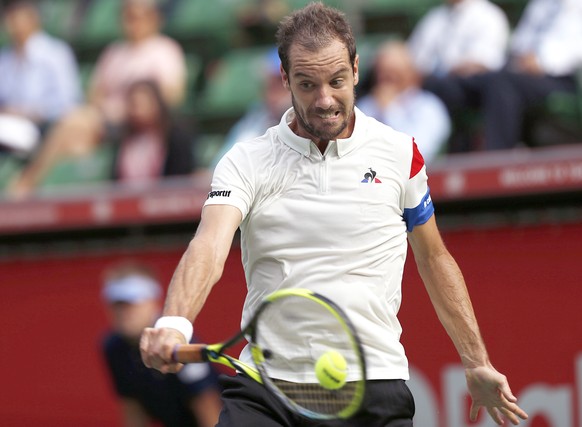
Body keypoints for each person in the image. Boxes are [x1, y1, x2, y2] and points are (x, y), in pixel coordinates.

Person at [140, 3, 529, 426]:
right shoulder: (245, 161)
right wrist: (175, 321)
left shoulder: (401, 153)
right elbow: (209, 246)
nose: (325, 100)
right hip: (267, 388)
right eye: (307, 84)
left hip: (372, 387)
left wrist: (475, 361)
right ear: (286, 79)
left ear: (357, 70)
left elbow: (434, 258)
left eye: (337, 81)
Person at [8, 0, 187, 196]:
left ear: (154, 19)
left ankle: (28, 181)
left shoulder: (165, 50)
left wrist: (129, 110)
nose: (132, 23)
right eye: (127, 17)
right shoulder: (114, 52)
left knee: (73, 123)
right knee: (75, 142)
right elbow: (94, 94)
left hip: (136, 121)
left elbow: (170, 98)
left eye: (138, 17)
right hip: (104, 122)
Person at [425, 0, 582, 151]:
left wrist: (542, 60)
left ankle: (497, 159)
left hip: (563, 79)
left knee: (501, 83)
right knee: (452, 85)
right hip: (521, 73)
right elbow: (520, 42)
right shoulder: (540, 3)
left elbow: (573, 50)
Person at [101, 261, 222, 427]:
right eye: (117, 305)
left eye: (131, 303)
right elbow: (133, 407)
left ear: (152, 302)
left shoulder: (179, 344)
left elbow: (208, 408)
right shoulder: (113, 348)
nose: (123, 312)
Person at [0, 0, 80, 152]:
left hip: (41, 130)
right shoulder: (4, 57)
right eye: (8, 19)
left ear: (33, 19)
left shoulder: (56, 53)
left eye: (16, 18)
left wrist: (31, 113)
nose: (11, 25)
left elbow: (68, 102)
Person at [357, 40, 451, 164]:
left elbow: (417, 154)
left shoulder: (429, 107)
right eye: (382, 72)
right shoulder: (366, 106)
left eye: (394, 72)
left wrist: (389, 111)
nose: (387, 78)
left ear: (412, 75)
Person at [209, 47, 291, 168]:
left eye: (280, 81)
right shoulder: (256, 116)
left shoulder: (310, 121)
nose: (272, 89)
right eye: (268, 81)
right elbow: (221, 164)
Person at [112, 79, 195, 183]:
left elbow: (182, 177)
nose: (137, 110)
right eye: (133, 104)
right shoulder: (121, 140)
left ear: (156, 103)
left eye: (142, 103)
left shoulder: (176, 138)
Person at [407, 0, 510, 79]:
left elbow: (480, 65)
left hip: (466, 86)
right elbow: (412, 59)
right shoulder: (435, 17)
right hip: (429, 83)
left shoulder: (489, 15)